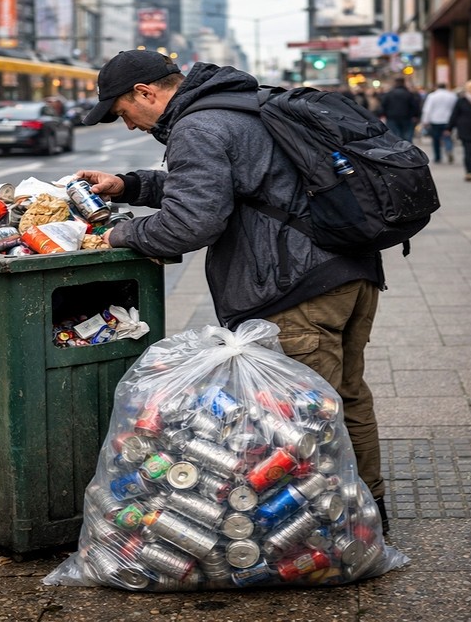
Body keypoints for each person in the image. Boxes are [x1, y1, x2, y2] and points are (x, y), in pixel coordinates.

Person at [72, 50, 392, 533]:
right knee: (345, 397)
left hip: (295, 289)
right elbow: (227, 185)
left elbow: (190, 221)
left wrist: (115, 235)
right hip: (348, 271)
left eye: (123, 113)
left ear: (145, 93)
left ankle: (332, 532)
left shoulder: (199, 127)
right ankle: (369, 509)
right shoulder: (244, 102)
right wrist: (131, 185)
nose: (130, 126)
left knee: (303, 417)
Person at [447, 79, 471, 182]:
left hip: (467, 129)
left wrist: (449, 128)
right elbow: (455, 115)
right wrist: (449, 127)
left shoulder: (462, 100)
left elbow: (455, 115)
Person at [420, 82, 459, 164]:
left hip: (435, 120)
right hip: (448, 119)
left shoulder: (432, 96)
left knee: (436, 139)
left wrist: (425, 121)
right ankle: (449, 149)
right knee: (447, 137)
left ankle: (438, 157)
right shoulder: (452, 96)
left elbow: (427, 109)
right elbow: (456, 108)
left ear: (437, 87)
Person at [379, 77, 420, 144]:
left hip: (392, 118)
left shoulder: (389, 94)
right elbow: (415, 106)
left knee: (395, 137)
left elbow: (383, 105)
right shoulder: (409, 94)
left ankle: (397, 151)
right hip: (407, 118)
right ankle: (407, 151)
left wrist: (382, 114)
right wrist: (415, 115)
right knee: (407, 137)